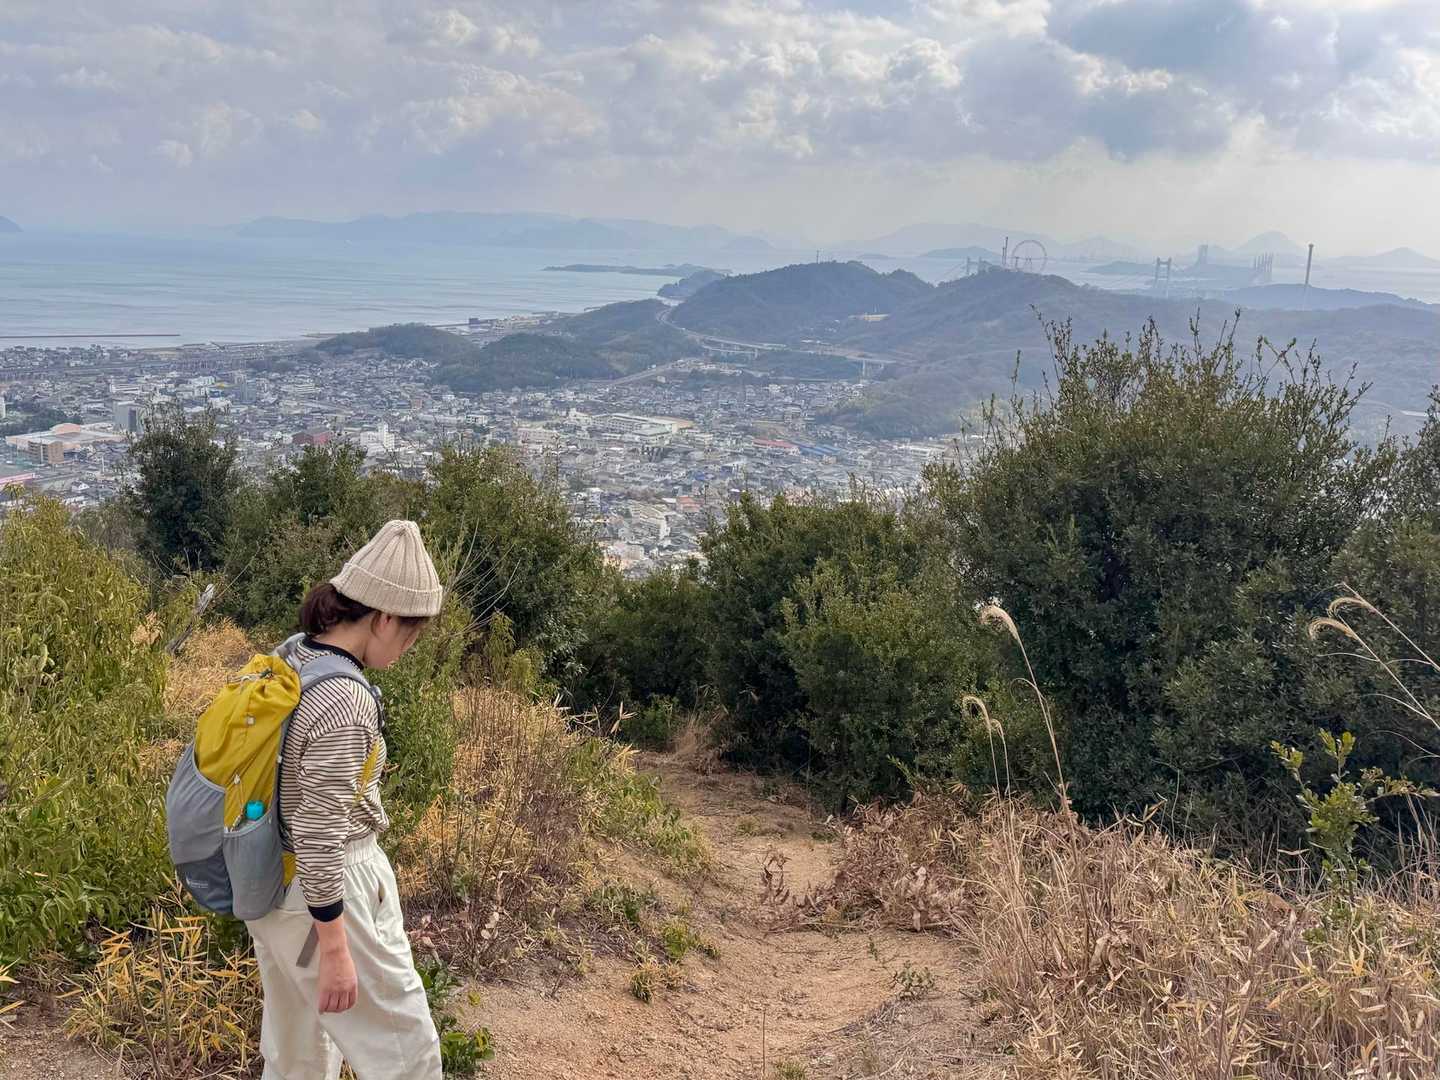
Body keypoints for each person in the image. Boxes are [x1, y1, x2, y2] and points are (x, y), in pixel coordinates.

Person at [245, 519, 444, 1080]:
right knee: (405, 1054)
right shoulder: (345, 702)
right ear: (384, 619)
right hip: (331, 891)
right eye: (410, 634)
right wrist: (335, 947)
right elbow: (319, 831)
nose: (408, 648)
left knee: (297, 1057)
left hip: (273, 881)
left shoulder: (293, 658)